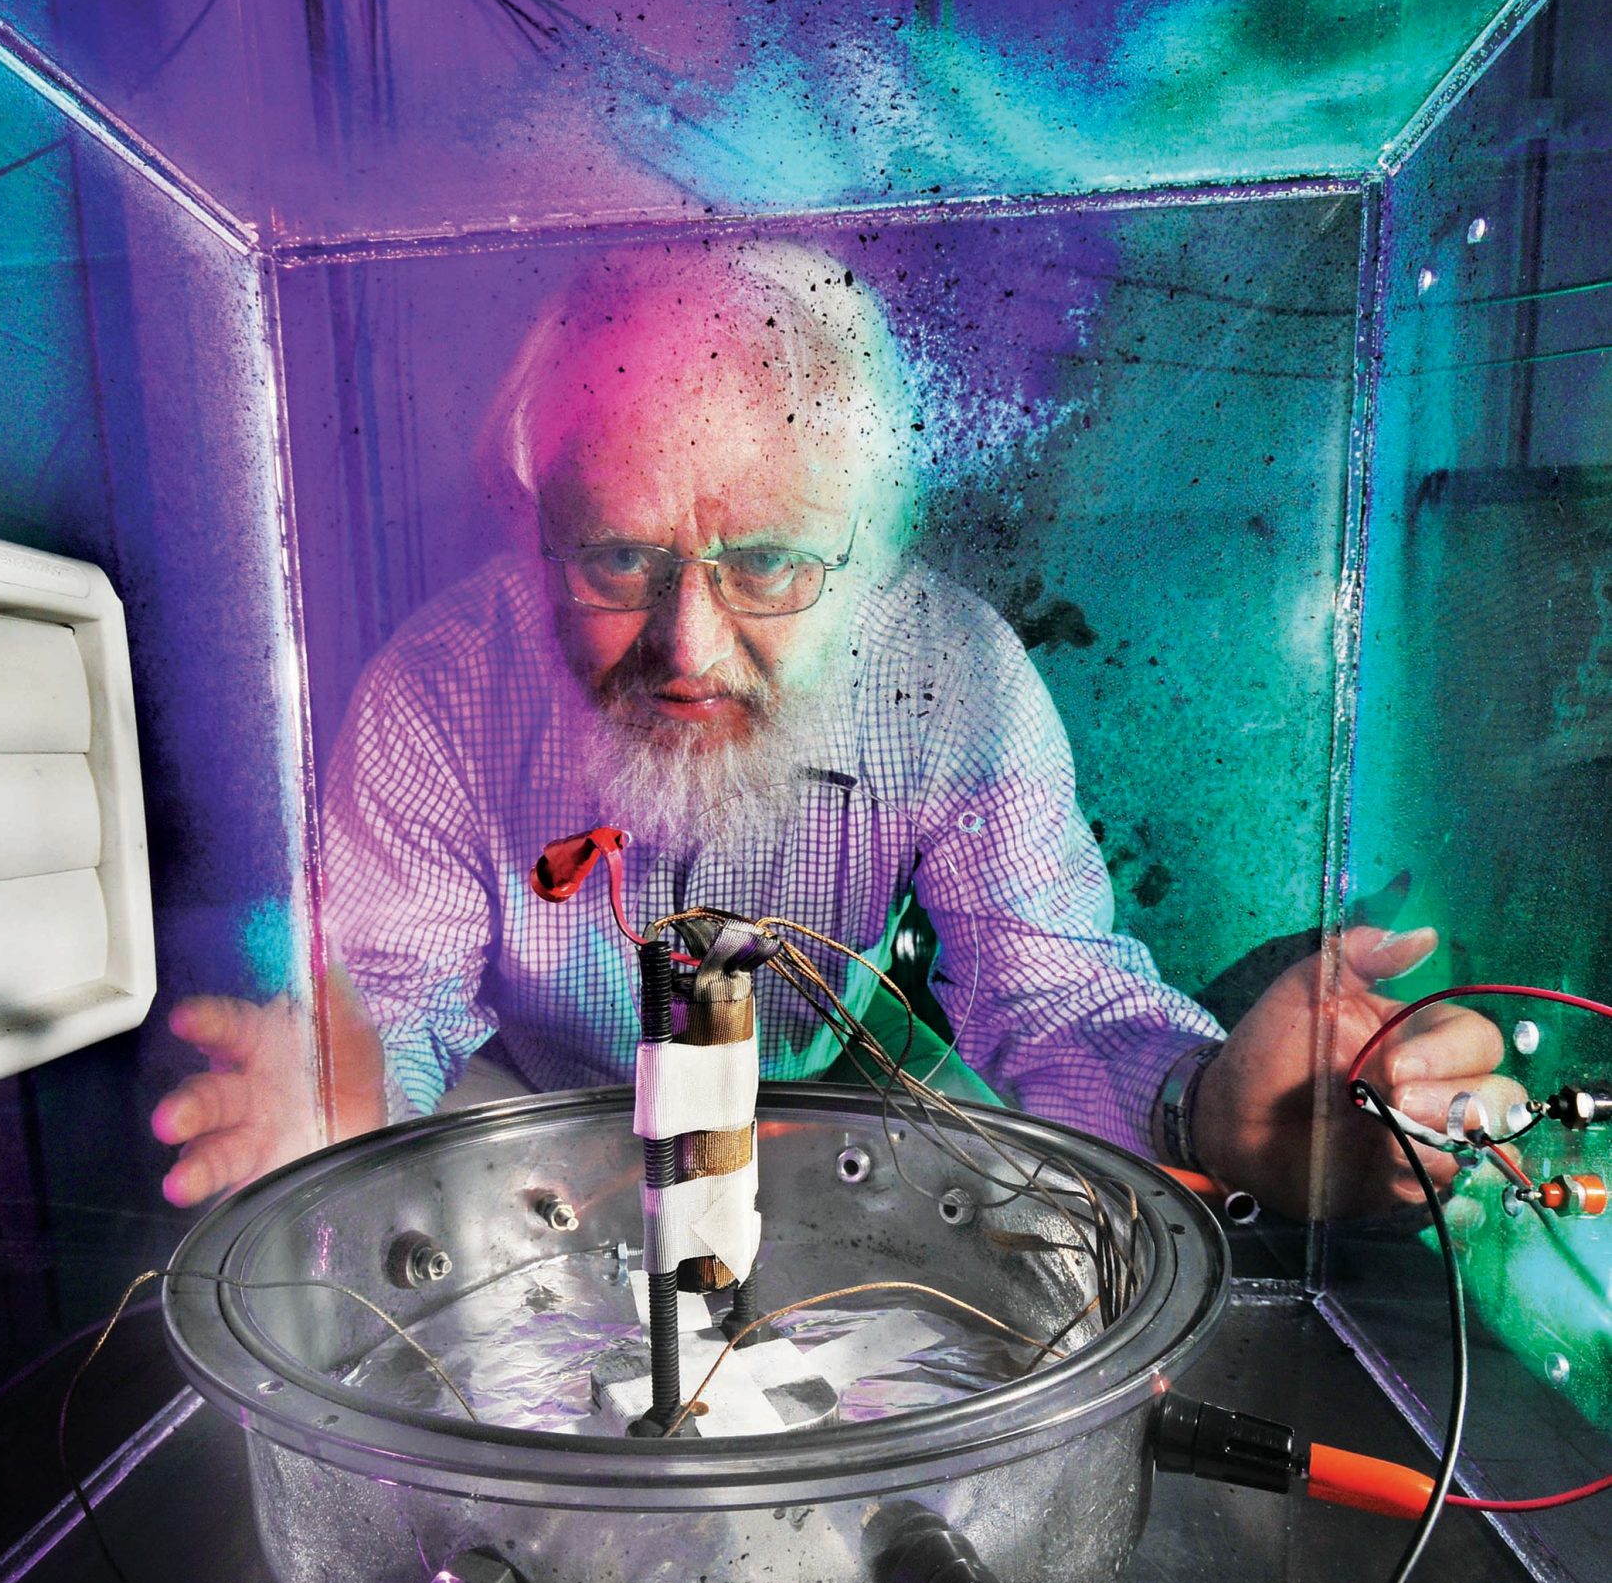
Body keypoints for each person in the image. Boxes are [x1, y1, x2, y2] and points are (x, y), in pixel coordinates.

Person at [153, 241, 1513, 1217]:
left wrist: (1214, 1107)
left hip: (835, 1077)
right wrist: (345, 1106)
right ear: (535, 529)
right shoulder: (438, 692)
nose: (686, 650)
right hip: (535, 1092)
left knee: (1040, 1240)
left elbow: (1047, 993)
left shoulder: (956, 677)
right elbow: (385, 1014)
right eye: (616, 559)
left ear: (871, 556)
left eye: (768, 565)